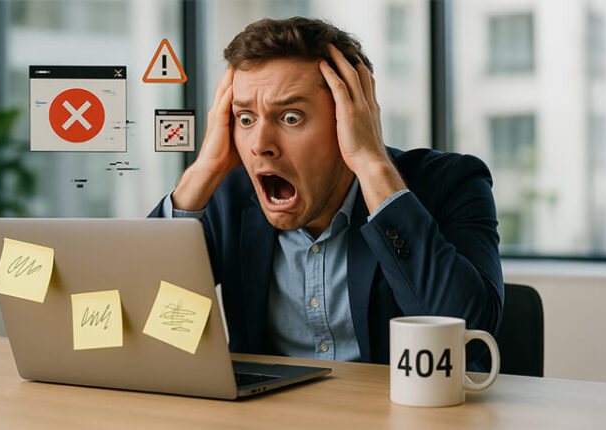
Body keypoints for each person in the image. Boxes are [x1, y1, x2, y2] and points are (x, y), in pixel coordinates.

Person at [149, 17, 503, 369]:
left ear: (351, 119)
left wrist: (370, 162)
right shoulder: (226, 197)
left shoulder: (451, 183)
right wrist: (202, 171)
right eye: (245, 118)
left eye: (290, 118)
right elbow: (146, 324)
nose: (260, 145)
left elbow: (468, 340)